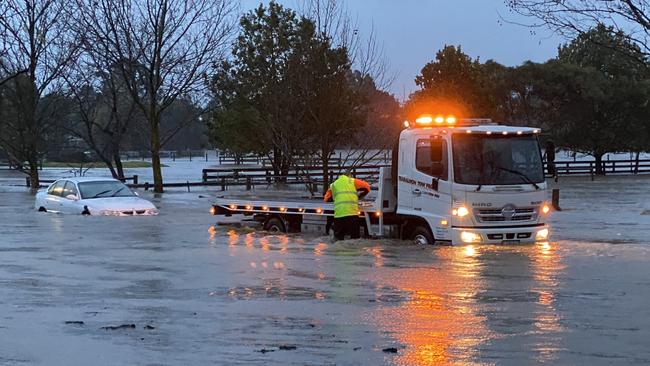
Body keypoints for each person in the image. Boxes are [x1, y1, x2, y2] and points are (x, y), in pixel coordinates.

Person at [324, 174, 371, 240]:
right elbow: (367, 187)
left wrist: (336, 198)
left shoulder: (333, 185)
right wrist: (360, 196)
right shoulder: (352, 181)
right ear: (349, 176)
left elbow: (326, 199)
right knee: (355, 239)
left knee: (338, 239)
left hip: (339, 215)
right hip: (352, 214)